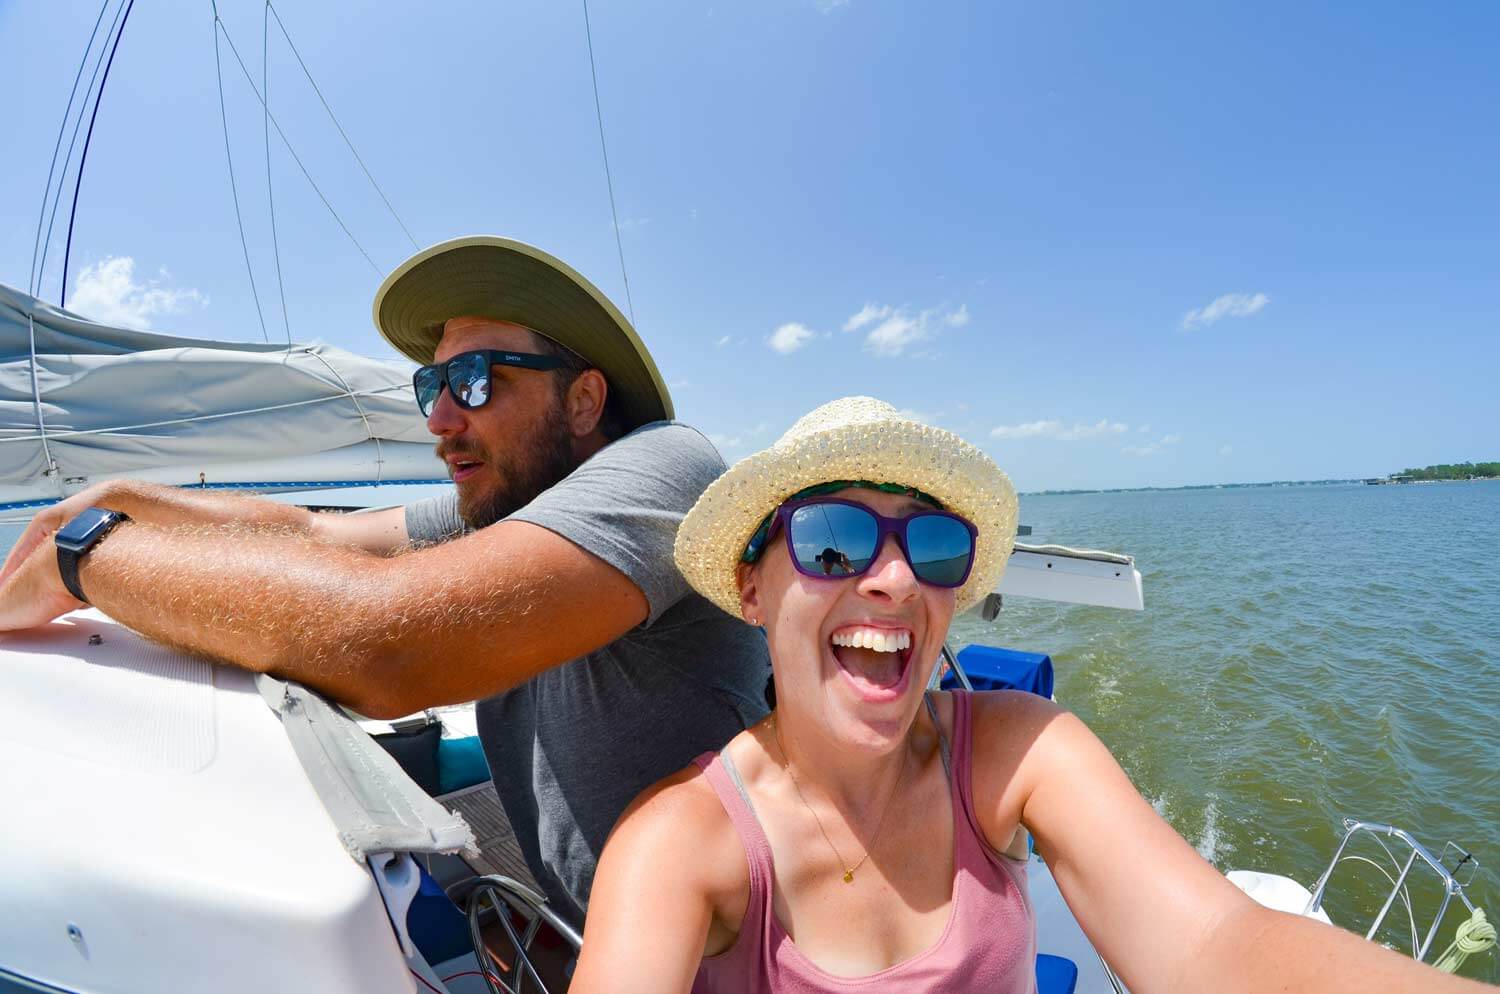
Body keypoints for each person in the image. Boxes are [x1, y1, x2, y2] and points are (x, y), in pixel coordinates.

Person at [570, 397, 1492, 994]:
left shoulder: (1014, 751)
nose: (893, 580)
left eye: (932, 546)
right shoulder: (679, 845)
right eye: (835, 540)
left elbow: (1215, 947)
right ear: (753, 590)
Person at [0, 236, 771, 925]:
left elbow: (387, 647)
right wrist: (123, 499)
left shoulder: (667, 469)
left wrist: (87, 557)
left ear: (583, 400)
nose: (438, 417)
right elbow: (310, 532)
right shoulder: (502, 504)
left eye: (472, 379)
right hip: (571, 913)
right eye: (429, 384)